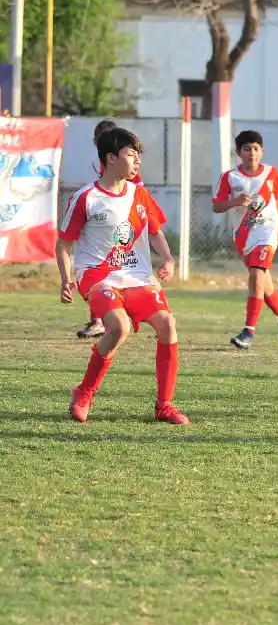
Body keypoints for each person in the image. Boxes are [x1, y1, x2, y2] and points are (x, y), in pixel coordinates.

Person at [56, 127, 189, 424]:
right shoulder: (85, 197)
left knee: (167, 323)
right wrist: (67, 279)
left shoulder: (139, 193)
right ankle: (84, 392)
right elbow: (64, 243)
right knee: (119, 327)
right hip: (97, 276)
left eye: (138, 156)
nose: (137, 161)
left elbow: (154, 231)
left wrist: (168, 258)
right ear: (112, 158)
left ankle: (164, 406)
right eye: (132, 155)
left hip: (136, 276)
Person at [212, 130, 278, 349]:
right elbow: (217, 206)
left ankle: (248, 332)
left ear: (262, 151)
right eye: (247, 149)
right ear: (238, 152)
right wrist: (234, 201)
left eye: (256, 148)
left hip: (267, 230)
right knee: (263, 284)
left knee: (256, 276)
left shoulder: (271, 172)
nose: (252, 153)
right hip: (243, 234)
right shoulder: (230, 177)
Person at [77, 119, 146, 340]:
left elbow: (136, 191)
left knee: (114, 270)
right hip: (99, 220)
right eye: (101, 139)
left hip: (120, 223)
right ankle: (99, 319)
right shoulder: (94, 163)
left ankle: (122, 315)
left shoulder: (126, 164)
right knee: (95, 268)